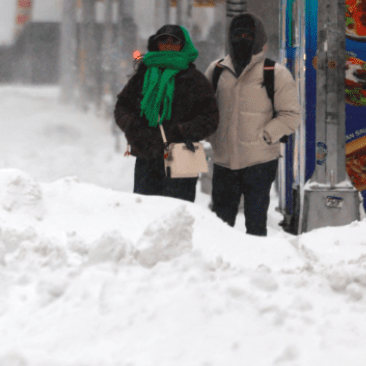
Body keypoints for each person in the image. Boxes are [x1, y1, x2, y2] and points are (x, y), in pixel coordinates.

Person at [205, 13, 300, 236]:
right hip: (224, 161)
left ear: (259, 39)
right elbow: (204, 109)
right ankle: (222, 258)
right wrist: (211, 136)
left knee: (256, 225)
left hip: (260, 163)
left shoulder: (275, 73)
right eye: (237, 34)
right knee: (220, 228)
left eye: (248, 35)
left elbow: (291, 115)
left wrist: (266, 136)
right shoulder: (216, 71)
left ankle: (255, 258)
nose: (242, 39)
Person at [114, 25, 219, 201]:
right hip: (147, 155)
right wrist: (134, 127)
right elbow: (122, 107)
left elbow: (210, 117)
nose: (168, 45)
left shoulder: (195, 80)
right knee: (146, 210)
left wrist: (183, 130)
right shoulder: (143, 76)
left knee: (178, 210)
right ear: (157, 45)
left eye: (174, 42)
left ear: (182, 45)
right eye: (163, 41)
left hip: (183, 155)